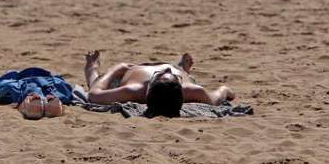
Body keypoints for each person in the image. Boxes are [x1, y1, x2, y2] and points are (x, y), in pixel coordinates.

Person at [83, 51, 235, 117]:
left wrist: (117, 68)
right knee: (177, 71)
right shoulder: (192, 90)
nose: (166, 69)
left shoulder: (134, 90)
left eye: (159, 75)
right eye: (176, 78)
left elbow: (94, 94)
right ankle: (182, 70)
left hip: (132, 71)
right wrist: (225, 90)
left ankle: (91, 69)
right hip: (176, 70)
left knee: (98, 82)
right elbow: (217, 97)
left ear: (148, 87)